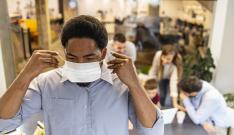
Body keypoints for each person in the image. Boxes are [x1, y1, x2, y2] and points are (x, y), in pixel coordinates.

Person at [0, 15, 164, 135]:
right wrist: (25, 75)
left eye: (89, 57)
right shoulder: (46, 84)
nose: (80, 64)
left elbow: (153, 130)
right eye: (72, 57)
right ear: (64, 52)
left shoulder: (122, 84)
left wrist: (134, 83)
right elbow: (3, 123)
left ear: (103, 52)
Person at [149, 45, 185, 111]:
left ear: (173, 58)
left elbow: (173, 83)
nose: (165, 61)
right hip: (160, 77)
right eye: (164, 57)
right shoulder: (158, 55)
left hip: (171, 80)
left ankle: (167, 114)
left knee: (168, 100)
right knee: (160, 96)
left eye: (168, 59)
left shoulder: (175, 65)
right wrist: (152, 86)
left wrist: (175, 104)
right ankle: (160, 111)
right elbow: (153, 71)